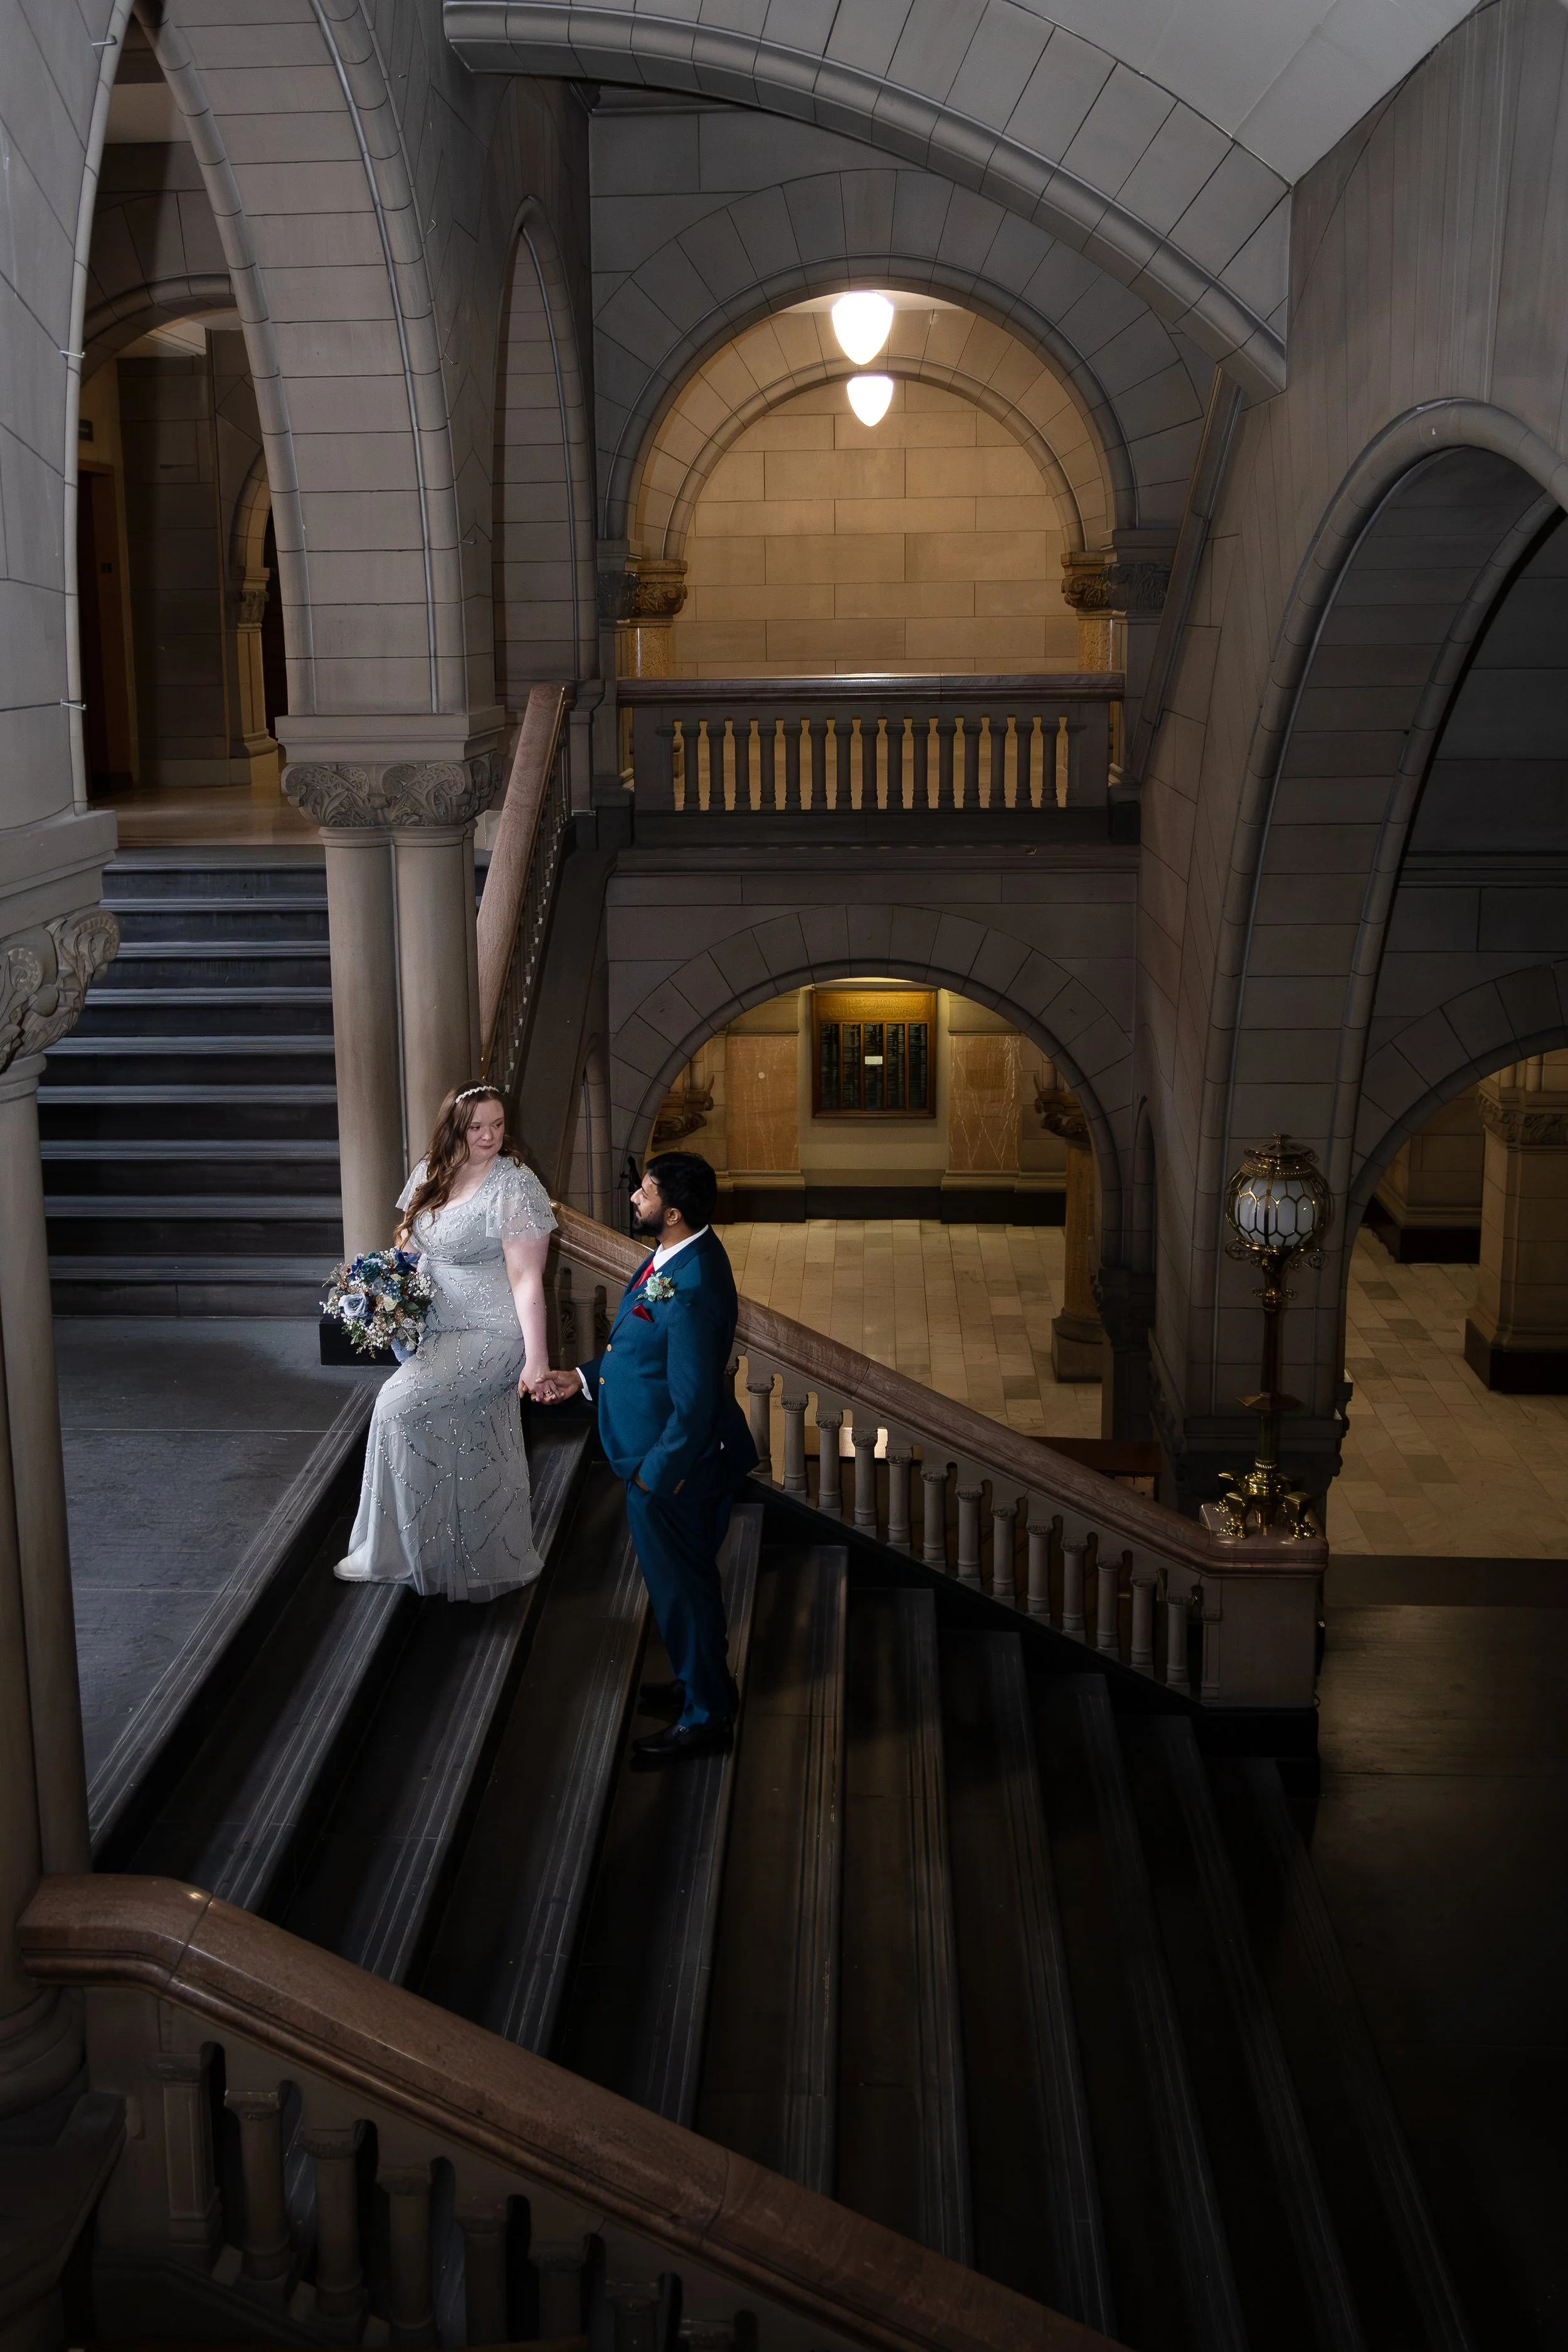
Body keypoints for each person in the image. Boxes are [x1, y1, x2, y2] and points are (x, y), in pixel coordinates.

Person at [531, 1151, 757, 1762]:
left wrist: (655, 1479)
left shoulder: (692, 1288)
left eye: (646, 1192)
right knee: (686, 1590)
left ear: (674, 1213)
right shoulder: (677, 1256)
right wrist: (577, 1377)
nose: (635, 1198)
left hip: (673, 1474)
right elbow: (638, 1352)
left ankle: (706, 1716)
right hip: (664, 1462)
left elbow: (694, 1403)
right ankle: (701, 1683)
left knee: (682, 1593)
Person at [335, 1084, 556, 1601]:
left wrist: (537, 1360)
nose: (489, 1137)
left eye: (498, 1125)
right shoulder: (430, 1173)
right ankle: (451, 1554)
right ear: (454, 1128)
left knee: (395, 1407)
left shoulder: (515, 1186)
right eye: (477, 1127)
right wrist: (384, 1299)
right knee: (460, 1434)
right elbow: (408, 1249)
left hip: (493, 1331)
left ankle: (387, 1554)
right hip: (435, 1329)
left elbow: (527, 1280)